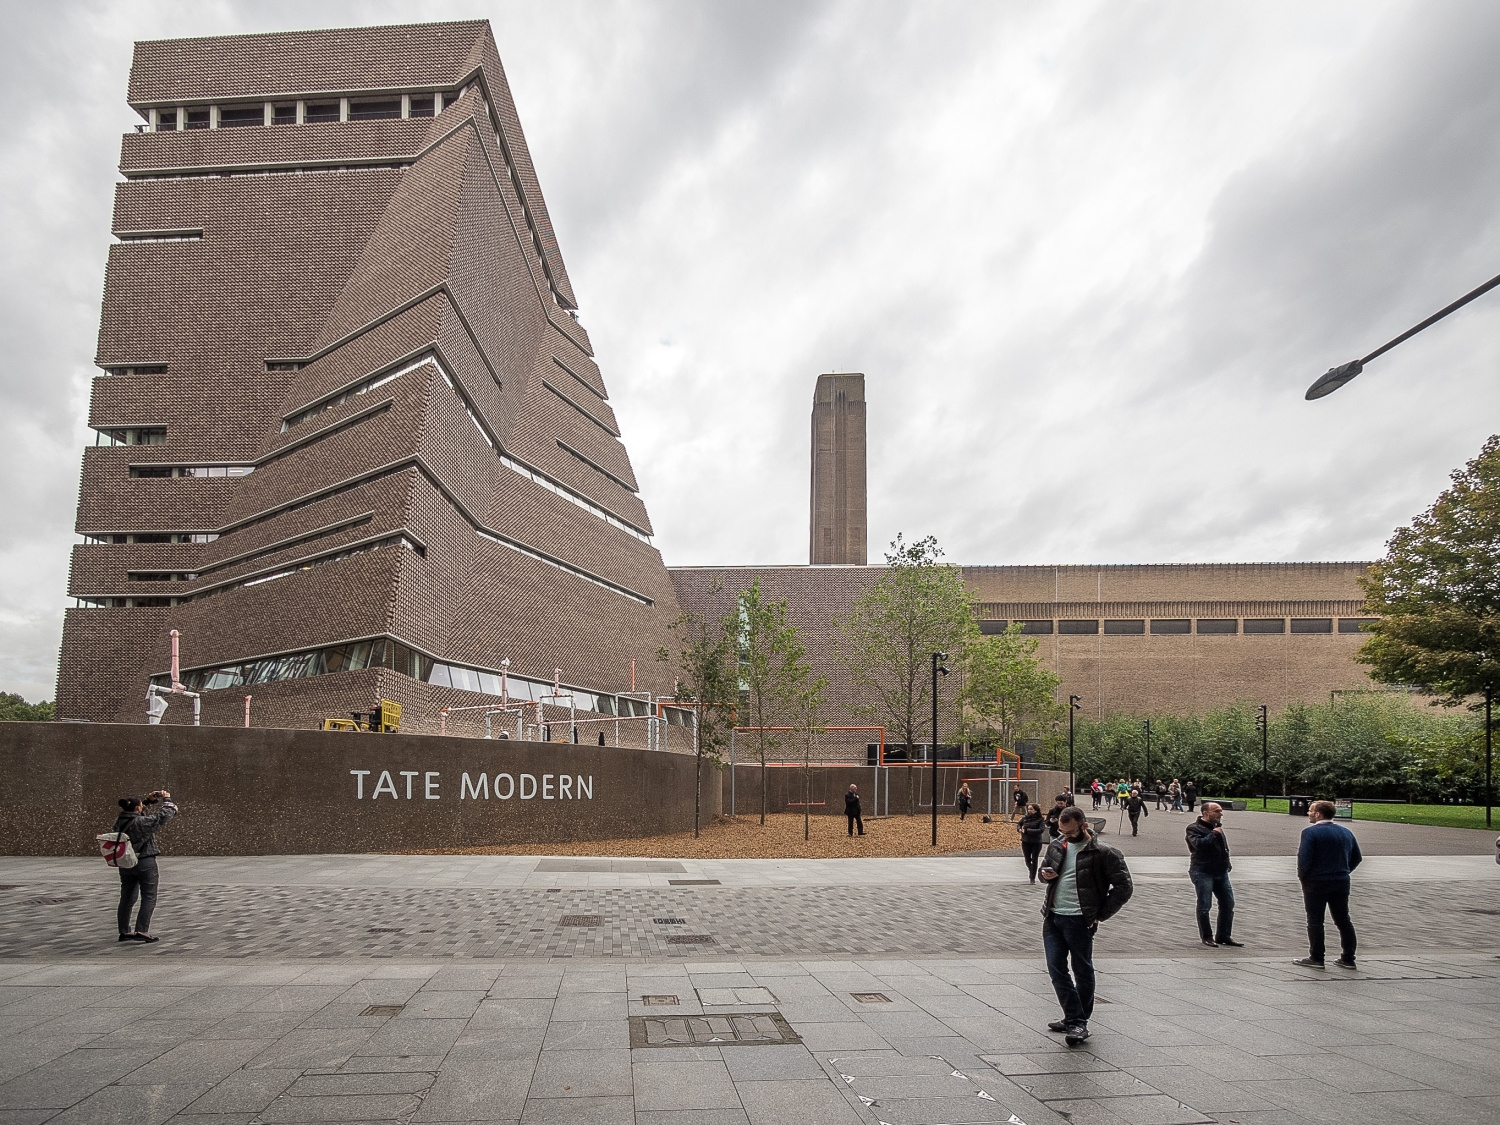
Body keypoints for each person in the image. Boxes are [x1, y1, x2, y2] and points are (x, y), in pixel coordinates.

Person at [1039, 806, 1133, 1046]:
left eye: (1070, 832)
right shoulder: (1057, 845)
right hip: (1053, 916)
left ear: (1084, 826)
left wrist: (1099, 914)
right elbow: (1045, 872)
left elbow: (1124, 888)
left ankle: (1079, 1022)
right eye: (1062, 831)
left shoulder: (1105, 853)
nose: (1065, 836)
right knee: (1056, 968)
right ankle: (1074, 1017)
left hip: (1080, 919)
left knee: (1082, 969)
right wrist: (1044, 875)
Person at [1295, 799, 1361, 969]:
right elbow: (1357, 857)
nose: (1308, 813)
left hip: (1316, 882)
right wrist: (1344, 871)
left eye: (1310, 811)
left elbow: (1304, 859)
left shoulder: (1310, 833)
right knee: (1343, 919)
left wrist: (1304, 878)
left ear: (1318, 814)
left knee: (1315, 920)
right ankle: (1348, 957)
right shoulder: (1346, 832)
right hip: (1341, 881)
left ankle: (1316, 957)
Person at [112, 789, 178, 943]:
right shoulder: (141, 822)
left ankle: (124, 931)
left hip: (126, 862)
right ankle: (142, 930)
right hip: (144, 861)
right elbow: (161, 817)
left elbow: (137, 816)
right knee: (149, 896)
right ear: (137, 808)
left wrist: (148, 801)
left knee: (127, 897)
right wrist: (167, 800)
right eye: (141, 806)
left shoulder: (119, 821)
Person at [1186, 802, 1241, 948]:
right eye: (1216, 811)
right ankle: (1207, 936)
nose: (1220, 814)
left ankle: (1224, 935)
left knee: (1228, 904)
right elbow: (1199, 846)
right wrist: (1214, 834)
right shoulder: (1193, 828)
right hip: (1203, 871)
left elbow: (1223, 848)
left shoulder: (1217, 828)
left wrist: (1227, 863)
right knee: (1205, 905)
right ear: (1205, 813)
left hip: (1221, 872)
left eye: (1221, 811)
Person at [1019, 803, 1047, 883]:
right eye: (1028, 809)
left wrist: (1028, 831)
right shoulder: (1025, 818)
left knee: (1034, 859)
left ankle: (1032, 877)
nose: (1029, 811)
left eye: (1031, 809)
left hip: (1036, 842)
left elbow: (1041, 830)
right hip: (1026, 841)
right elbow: (1019, 824)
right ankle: (1032, 870)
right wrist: (1019, 829)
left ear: (1036, 810)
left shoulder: (1040, 819)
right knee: (1027, 859)